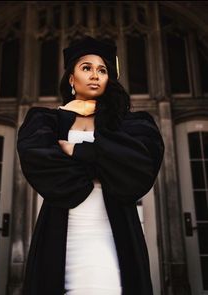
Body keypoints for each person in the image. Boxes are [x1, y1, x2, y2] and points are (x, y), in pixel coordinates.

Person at [17, 36, 165, 295]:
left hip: (113, 234)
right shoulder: (45, 122)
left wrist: (77, 150)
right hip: (63, 234)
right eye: (86, 68)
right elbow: (46, 170)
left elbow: (139, 170)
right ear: (72, 78)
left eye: (103, 70)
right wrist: (106, 163)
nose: (95, 75)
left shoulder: (131, 124)